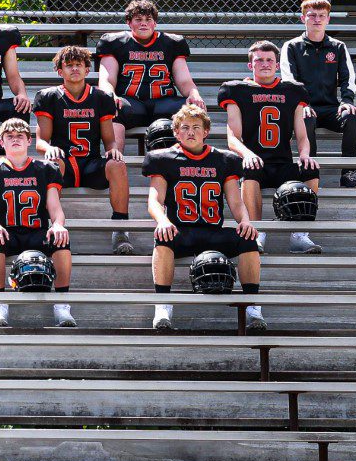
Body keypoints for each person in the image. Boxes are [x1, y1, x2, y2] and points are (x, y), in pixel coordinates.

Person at [145, 101, 264, 331]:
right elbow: (154, 200)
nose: (191, 132)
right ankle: (163, 305)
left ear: (206, 131)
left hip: (213, 231)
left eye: (196, 127)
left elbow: (235, 201)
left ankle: (252, 307)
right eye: (185, 127)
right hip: (181, 231)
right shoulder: (163, 159)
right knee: (162, 237)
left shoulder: (224, 160)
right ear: (176, 132)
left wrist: (245, 221)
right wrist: (163, 220)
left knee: (248, 239)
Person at [218, 41, 321, 254]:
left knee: (311, 168)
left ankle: (300, 234)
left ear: (276, 65)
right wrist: (247, 154)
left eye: (269, 60)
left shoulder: (293, 91)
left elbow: (302, 135)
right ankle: (257, 232)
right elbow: (232, 138)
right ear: (250, 65)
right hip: (256, 163)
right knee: (249, 167)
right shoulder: (236, 90)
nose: (265, 64)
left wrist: (304, 154)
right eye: (259, 60)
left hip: (283, 163)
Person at [32, 44, 135, 255]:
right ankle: (49, 227)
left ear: (87, 69)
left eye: (79, 64)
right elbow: (40, 141)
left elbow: (109, 140)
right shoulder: (48, 97)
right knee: (52, 163)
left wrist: (114, 150)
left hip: (91, 163)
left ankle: (120, 229)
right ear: (60, 71)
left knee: (117, 164)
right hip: (64, 163)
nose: (74, 69)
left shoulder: (101, 97)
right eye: (69, 65)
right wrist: (49, 148)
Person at [0, 118, 74, 329]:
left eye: (20, 136)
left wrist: (58, 224)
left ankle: (62, 304)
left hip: (37, 231)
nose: (15, 139)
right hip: (7, 232)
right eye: (10, 136)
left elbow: (55, 208)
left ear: (29, 140)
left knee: (61, 239)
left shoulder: (46, 169)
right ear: (2, 142)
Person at [96, 0, 202, 156]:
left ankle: (186, 163)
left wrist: (194, 94)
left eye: (148, 19)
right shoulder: (115, 42)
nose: (143, 23)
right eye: (138, 19)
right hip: (130, 103)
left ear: (155, 23)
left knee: (192, 111)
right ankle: (115, 160)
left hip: (164, 102)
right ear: (129, 23)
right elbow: (107, 79)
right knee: (111, 107)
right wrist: (109, 94)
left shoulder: (171, 43)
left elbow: (184, 80)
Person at [280, 0, 356, 188]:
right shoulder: (291, 46)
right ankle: (311, 173)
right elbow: (289, 80)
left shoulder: (338, 47)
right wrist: (303, 104)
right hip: (304, 107)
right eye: (312, 15)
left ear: (328, 19)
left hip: (331, 108)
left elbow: (348, 77)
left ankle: (348, 174)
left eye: (321, 15)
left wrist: (347, 101)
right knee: (305, 118)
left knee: (353, 117)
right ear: (303, 18)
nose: (317, 19)